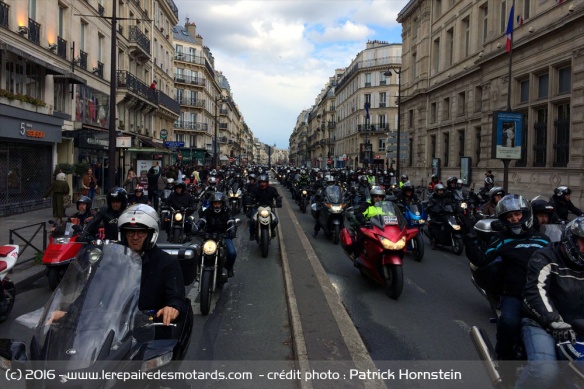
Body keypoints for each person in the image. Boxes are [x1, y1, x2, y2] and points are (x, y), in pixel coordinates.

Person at [465, 194, 551, 367]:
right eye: (510, 216)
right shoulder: (502, 240)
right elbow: (481, 259)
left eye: (517, 214)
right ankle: (502, 360)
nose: (514, 219)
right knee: (508, 323)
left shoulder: (543, 240)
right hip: (514, 294)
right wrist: (470, 238)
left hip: (543, 295)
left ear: (525, 214)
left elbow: (558, 262)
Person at [516, 216, 584, 388]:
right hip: (542, 323)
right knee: (545, 372)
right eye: (583, 242)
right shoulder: (545, 257)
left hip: (579, 327)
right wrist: (554, 321)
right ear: (571, 240)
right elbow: (535, 292)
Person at [118, 204, 187, 329]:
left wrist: (172, 308)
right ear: (123, 235)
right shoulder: (115, 262)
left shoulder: (167, 263)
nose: (135, 237)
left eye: (141, 233)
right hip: (114, 327)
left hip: (150, 328)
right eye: (130, 232)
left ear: (151, 234)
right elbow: (95, 291)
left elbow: (177, 298)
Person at [195, 192, 237, 278]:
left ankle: (229, 268)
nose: (217, 205)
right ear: (212, 204)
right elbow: (203, 219)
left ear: (222, 203)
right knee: (198, 252)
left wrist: (232, 229)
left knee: (232, 253)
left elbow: (231, 220)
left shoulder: (227, 211)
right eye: (215, 203)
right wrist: (196, 226)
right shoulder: (208, 211)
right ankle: (200, 269)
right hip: (209, 236)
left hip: (224, 235)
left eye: (219, 203)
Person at [352, 186, 386, 257]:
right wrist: (363, 220)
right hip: (368, 226)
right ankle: (357, 256)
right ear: (372, 197)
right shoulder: (366, 205)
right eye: (375, 196)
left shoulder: (385, 207)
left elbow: (392, 215)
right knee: (360, 238)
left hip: (382, 227)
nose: (378, 198)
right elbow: (359, 213)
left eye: (380, 197)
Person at [249, 175, 282, 240]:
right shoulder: (255, 189)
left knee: (275, 221)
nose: (262, 183)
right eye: (261, 182)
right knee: (252, 221)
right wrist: (249, 202)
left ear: (267, 182)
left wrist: (278, 201)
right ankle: (251, 234)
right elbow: (251, 197)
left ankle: (272, 230)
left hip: (268, 208)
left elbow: (277, 196)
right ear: (259, 183)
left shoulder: (272, 189)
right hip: (258, 208)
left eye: (264, 182)